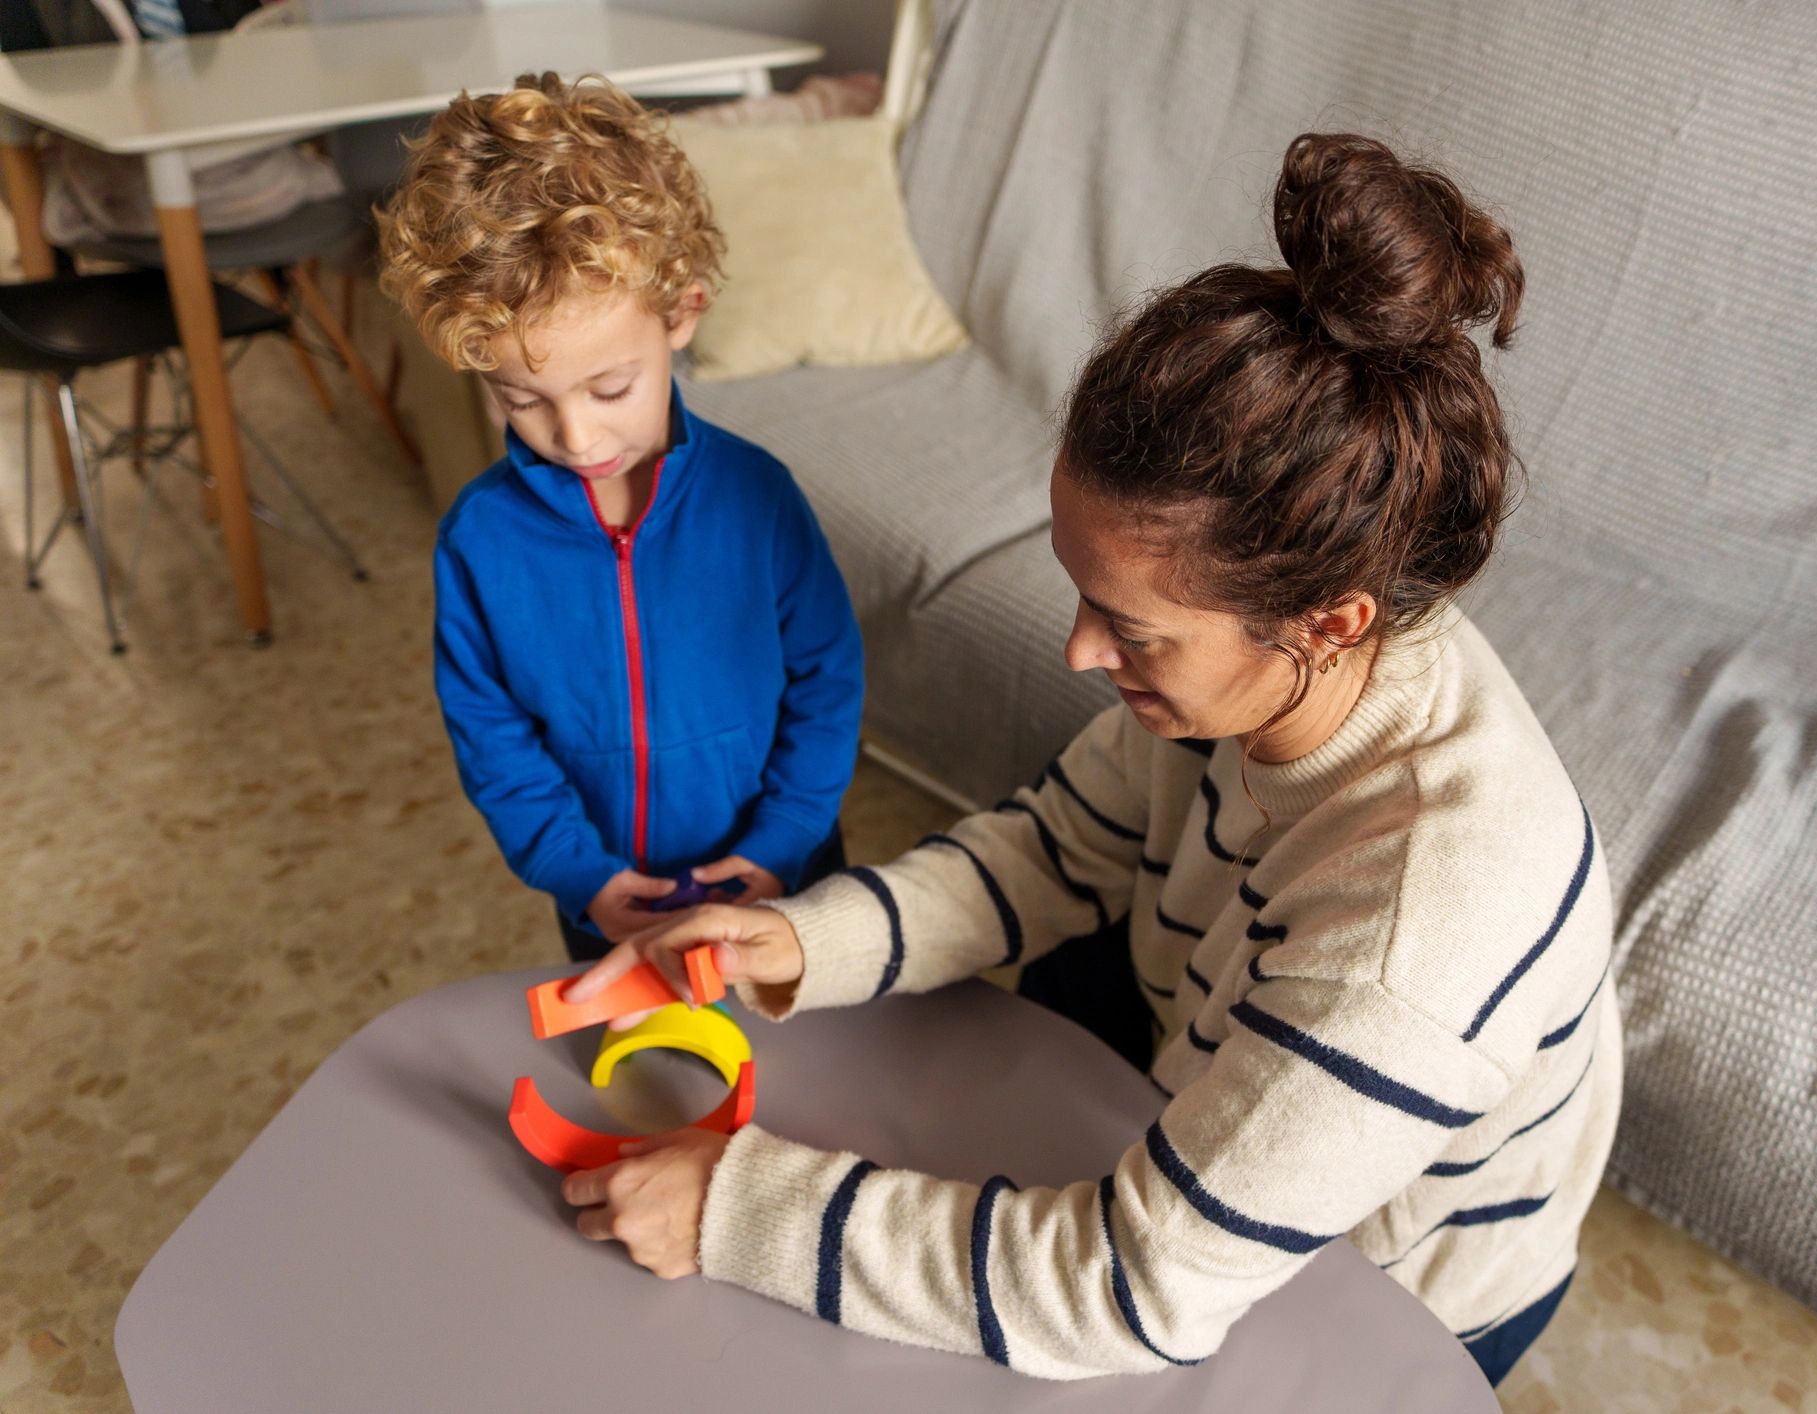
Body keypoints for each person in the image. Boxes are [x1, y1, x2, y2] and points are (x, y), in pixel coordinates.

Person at [565, 132, 1618, 1387]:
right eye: (1081, 591)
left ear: (1328, 623)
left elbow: (1128, 1289)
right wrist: (799, 940)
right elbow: (1059, 848)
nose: (1078, 651)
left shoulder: (1417, 937)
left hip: (1384, 1296)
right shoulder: (1276, 663)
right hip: (1199, 1064)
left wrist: (734, 1207)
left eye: (1130, 627)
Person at [376, 75, 864, 962]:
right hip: (608, 895)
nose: (575, 436)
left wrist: (783, 837)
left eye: (610, 388)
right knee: (636, 1051)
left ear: (681, 313)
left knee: (802, 1042)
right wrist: (578, 872)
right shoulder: (479, 543)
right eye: (521, 399)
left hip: (780, 872)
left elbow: (826, 678)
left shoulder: (758, 499)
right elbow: (490, 734)